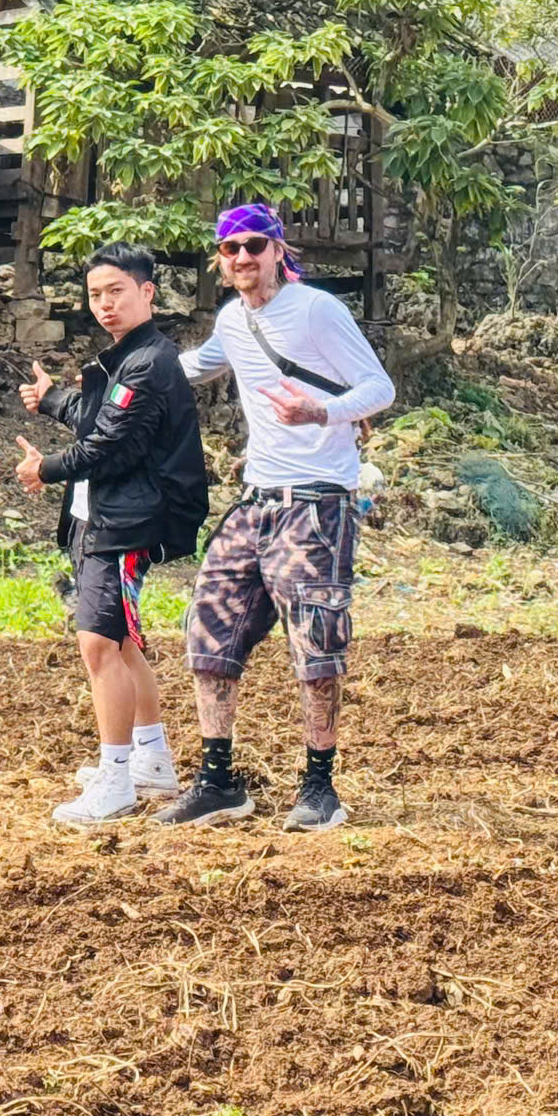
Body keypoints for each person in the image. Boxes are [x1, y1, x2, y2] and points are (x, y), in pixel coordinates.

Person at [151, 205, 395, 833]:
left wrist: (321, 412)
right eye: (230, 249)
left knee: (315, 645)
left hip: (316, 502)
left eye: (254, 245)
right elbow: (195, 367)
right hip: (256, 501)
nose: (242, 258)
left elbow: (379, 389)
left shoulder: (318, 310)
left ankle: (320, 788)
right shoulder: (234, 319)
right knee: (208, 631)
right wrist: (116, 375)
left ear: (278, 250)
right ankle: (217, 782)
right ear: (219, 260)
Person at [15, 243, 211, 826]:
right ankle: (151, 761)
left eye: (116, 291)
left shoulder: (149, 361)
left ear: (147, 293)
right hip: (103, 515)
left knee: (98, 645)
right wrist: (52, 399)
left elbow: (111, 444)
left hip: (126, 522)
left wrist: (44, 469)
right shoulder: (124, 358)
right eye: (95, 293)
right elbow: (102, 418)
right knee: (121, 642)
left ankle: (116, 779)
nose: (104, 304)